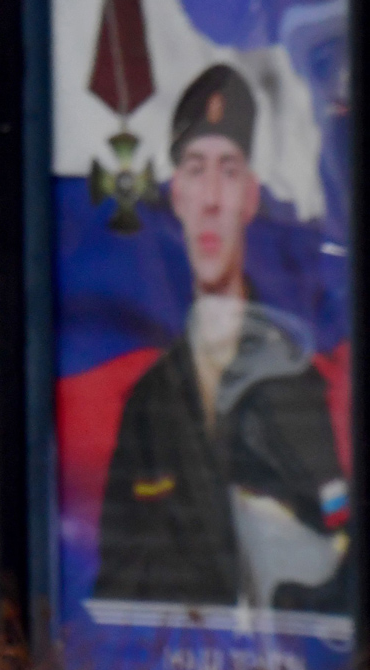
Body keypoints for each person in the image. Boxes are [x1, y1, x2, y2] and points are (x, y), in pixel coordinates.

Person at [93, 64, 347, 612]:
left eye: (229, 171)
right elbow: (114, 585)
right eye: (195, 169)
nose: (211, 199)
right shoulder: (148, 403)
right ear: (176, 193)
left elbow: (335, 560)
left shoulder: (294, 385)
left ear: (251, 198)